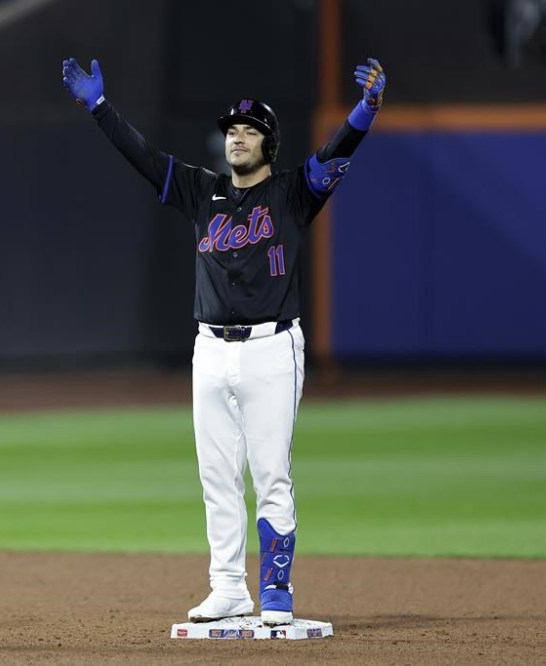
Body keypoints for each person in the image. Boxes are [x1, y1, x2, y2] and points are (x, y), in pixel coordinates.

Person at [62, 56, 386, 625]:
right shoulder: (199, 190)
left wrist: (366, 110)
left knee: (269, 472)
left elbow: (336, 154)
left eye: (249, 131)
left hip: (271, 346)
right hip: (208, 348)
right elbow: (142, 157)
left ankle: (277, 588)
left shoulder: (292, 194)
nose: (236, 138)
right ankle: (228, 587)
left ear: (269, 144)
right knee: (215, 474)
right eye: (231, 131)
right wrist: (99, 108)